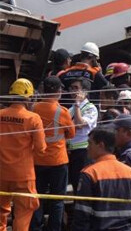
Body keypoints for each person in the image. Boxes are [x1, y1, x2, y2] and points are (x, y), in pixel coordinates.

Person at [72, 127, 131, 231]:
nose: (87, 148)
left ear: (101, 145)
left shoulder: (90, 173)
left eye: (90, 143)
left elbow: (82, 214)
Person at [0, 78, 46, 231]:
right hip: (23, 175)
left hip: (1, 173)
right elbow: (41, 149)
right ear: (29, 97)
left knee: (0, 212)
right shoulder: (33, 118)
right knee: (23, 212)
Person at [31, 76, 75, 231]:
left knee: (38, 196)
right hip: (58, 161)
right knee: (57, 199)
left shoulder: (34, 108)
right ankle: (54, 228)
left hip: (38, 160)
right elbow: (71, 133)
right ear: (58, 92)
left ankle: (35, 227)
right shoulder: (62, 111)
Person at [66, 78, 99, 193]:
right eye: (71, 88)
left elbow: (79, 124)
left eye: (76, 88)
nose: (72, 91)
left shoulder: (90, 108)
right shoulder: (71, 109)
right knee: (74, 183)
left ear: (84, 92)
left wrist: (77, 104)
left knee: (82, 185)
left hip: (83, 151)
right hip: (71, 151)